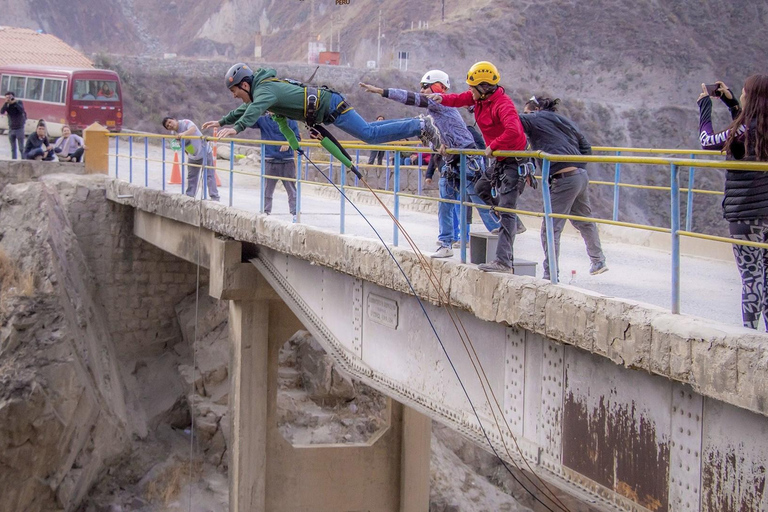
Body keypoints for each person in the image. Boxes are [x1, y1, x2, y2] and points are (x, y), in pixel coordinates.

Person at [360, 70, 500, 258]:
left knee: (477, 197)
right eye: (422, 87)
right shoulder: (438, 110)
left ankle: (500, 231)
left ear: (437, 87)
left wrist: (382, 91)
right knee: (446, 202)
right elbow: (442, 129)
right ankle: (446, 242)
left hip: (467, 158)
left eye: (425, 86)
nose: (422, 90)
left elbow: (411, 98)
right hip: (454, 159)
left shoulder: (440, 101)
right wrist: (441, 144)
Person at [428, 61, 529, 272]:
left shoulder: (503, 105)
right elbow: (459, 98)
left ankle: (503, 261)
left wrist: (494, 145)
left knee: (506, 210)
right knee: (482, 188)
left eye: (473, 88)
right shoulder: (482, 100)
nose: (470, 92)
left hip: (514, 160)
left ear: (483, 88)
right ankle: (512, 222)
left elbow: (514, 131)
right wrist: (442, 98)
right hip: (500, 160)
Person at [201, 63, 441, 150]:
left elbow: (250, 111)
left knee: (369, 134)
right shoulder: (264, 93)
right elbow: (249, 109)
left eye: (234, 92)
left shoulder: (264, 90)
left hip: (332, 106)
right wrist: (223, 121)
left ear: (244, 85)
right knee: (370, 131)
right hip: (328, 109)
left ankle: (419, 125)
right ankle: (419, 126)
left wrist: (236, 127)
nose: (234, 97)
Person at [698, 75, 768, 329]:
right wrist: (731, 105)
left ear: (752, 97)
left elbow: (707, 142)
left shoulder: (746, 127)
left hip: (746, 213)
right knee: (767, 277)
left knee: (751, 276)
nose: (741, 95)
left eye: (743, 93)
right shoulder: (759, 126)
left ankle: (749, 335)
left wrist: (705, 106)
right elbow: (745, 132)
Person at [520, 96, 607, 280]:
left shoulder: (536, 119)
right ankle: (598, 260)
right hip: (579, 176)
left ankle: (550, 272)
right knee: (583, 220)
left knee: (550, 227)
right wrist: (577, 167)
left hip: (564, 178)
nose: (525, 117)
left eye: (527, 113)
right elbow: (585, 147)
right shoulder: (563, 121)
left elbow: (512, 120)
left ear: (536, 111)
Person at [252, 113, 299, 220]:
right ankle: (266, 211)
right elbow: (249, 121)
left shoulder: (290, 120)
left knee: (291, 189)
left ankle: (295, 213)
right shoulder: (263, 120)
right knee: (268, 188)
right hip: (270, 159)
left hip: (287, 160)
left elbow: (297, 137)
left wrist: (288, 142)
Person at [162, 117, 220, 201]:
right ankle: (190, 196)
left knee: (209, 176)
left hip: (204, 151)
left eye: (170, 122)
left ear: (174, 119)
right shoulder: (175, 134)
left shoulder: (185, 122)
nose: (170, 125)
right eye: (168, 126)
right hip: (193, 155)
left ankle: (215, 197)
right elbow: (183, 146)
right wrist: (188, 154)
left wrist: (184, 134)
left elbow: (193, 129)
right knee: (191, 176)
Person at [1, 91, 26, 159]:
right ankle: (13, 161)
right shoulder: (7, 105)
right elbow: (2, 112)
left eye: (10, 97)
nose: (8, 99)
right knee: (13, 148)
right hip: (11, 128)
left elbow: (21, 110)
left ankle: (24, 161)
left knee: (21, 148)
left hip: (19, 128)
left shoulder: (18, 102)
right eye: (7, 97)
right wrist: (6, 103)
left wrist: (15, 102)